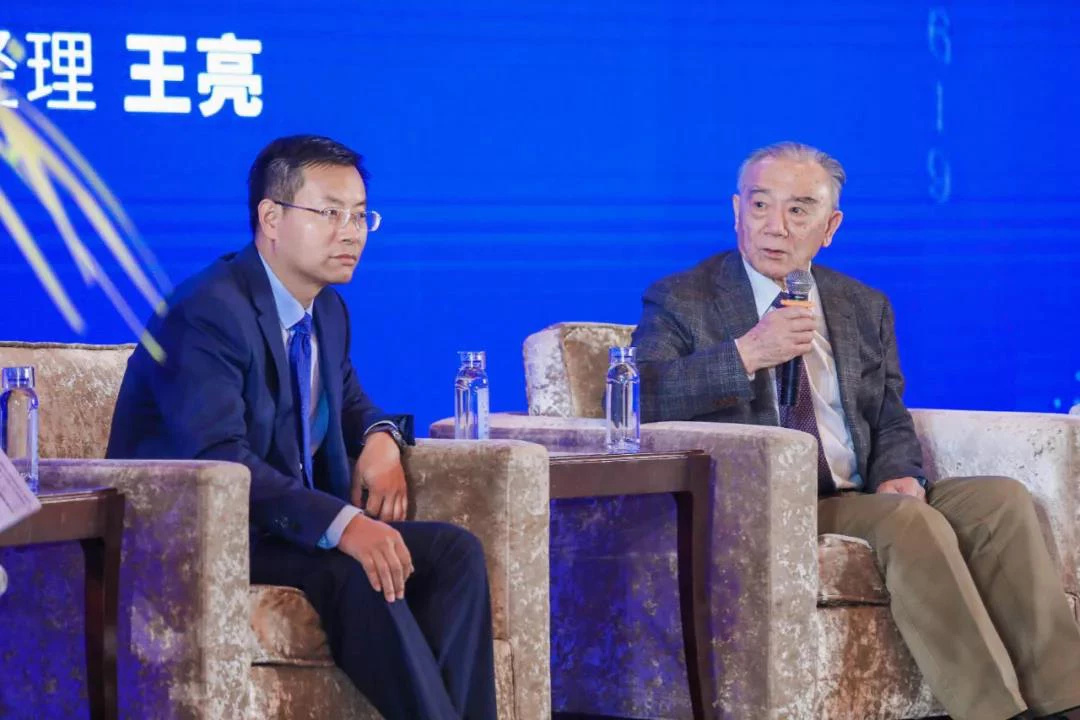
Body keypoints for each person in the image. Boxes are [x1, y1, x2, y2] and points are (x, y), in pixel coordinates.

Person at [630, 141, 1080, 720]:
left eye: (798, 210)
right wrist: (747, 354)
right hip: (771, 502)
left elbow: (888, 413)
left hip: (860, 492)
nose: (775, 226)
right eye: (760, 205)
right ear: (736, 210)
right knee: (906, 523)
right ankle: (994, 712)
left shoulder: (861, 305)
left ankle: (1066, 698)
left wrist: (900, 474)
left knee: (1001, 502)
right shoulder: (682, 298)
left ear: (830, 227)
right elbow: (641, 396)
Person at [107, 135, 496, 720]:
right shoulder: (207, 311)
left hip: (283, 530)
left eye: (360, 216)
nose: (351, 232)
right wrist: (344, 525)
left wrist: (382, 437)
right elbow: (219, 457)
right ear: (271, 218)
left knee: (453, 553)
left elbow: (352, 403)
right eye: (330, 213)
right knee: (359, 566)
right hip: (206, 538)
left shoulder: (327, 309)